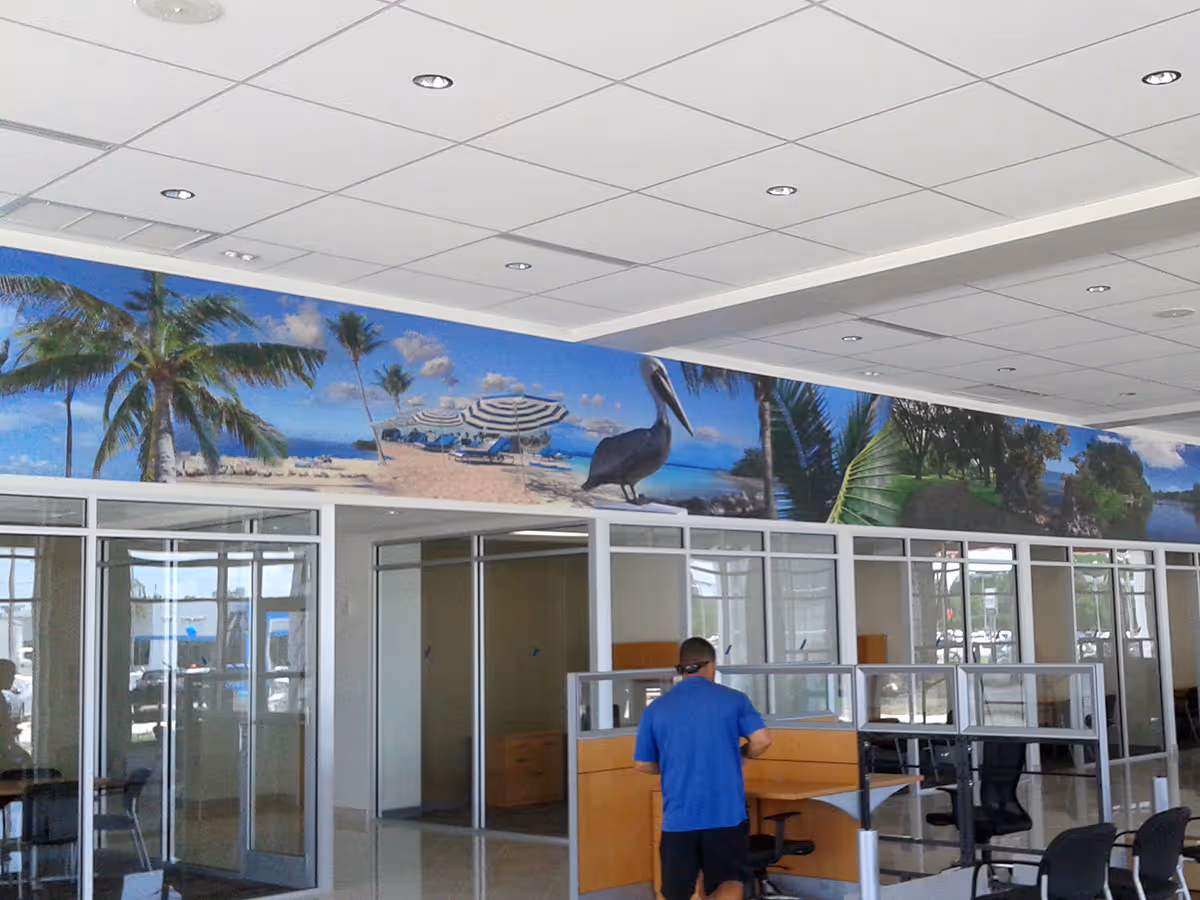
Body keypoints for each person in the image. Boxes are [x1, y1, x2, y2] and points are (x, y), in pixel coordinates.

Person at [634, 638, 772, 900]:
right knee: (728, 884)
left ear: (681, 667)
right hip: (725, 816)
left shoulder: (656, 709)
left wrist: (676, 767)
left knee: (677, 893)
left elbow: (642, 763)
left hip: (679, 819)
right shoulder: (734, 700)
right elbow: (762, 740)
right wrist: (742, 755)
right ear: (711, 665)